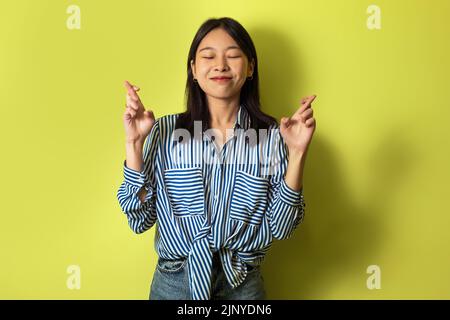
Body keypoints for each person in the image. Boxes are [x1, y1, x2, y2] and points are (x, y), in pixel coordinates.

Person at [117, 17, 316, 300]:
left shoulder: (271, 136)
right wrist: (134, 143)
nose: (221, 65)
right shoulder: (165, 131)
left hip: (242, 285)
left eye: (233, 55)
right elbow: (139, 220)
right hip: (174, 283)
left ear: (250, 68)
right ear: (194, 70)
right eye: (208, 56)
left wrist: (297, 153)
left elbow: (282, 227)